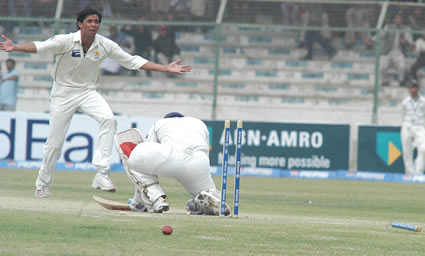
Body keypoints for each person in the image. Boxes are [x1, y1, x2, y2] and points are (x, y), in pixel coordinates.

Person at [0, 7, 192, 198]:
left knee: (109, 119)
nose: (93, 25)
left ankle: (101, 173)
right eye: (89, 21)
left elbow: (132, 61)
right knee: (54, 144)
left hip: (87, 92)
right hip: (62, 93)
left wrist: (166, 68)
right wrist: (15, 47)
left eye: (96, 22)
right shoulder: (66, 40)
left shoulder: (105, 44)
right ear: (80, 24)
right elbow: (40, 46)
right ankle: (42, 184)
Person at [119, 112, 230, 215]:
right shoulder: (199, 123)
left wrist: (138, 200)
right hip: (198, 162)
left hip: (170, 155)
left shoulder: (159, 123)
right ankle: (198, 205)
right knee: (208, 194)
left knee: (134, 159)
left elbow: (147, 158)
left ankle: (157, 198)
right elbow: (206, 155)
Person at [371, 14, 412, 87]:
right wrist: (372, 39)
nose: (398, 20)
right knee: (382, 67)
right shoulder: (388, 27)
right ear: (394, 19)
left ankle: (401, 81)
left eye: (400, 19)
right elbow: (381, 35)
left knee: (402, 66)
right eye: (397, 18)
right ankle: (384, 81)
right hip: (387, 51)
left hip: (399, 52)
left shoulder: (406, 28)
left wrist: (405, 41)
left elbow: (409, 39)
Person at [401, 79, 425, 176]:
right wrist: (406, 125)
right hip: (408, 126)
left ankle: (419, 171)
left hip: (420, 126)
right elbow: (403, 115)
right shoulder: (405, 102)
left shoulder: (423, 101)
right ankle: (409, 172)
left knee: (423, 148)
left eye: (415, 87)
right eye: (412, 87)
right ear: (409, 89)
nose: (413, 89)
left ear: (418, 88)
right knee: (407, 150)